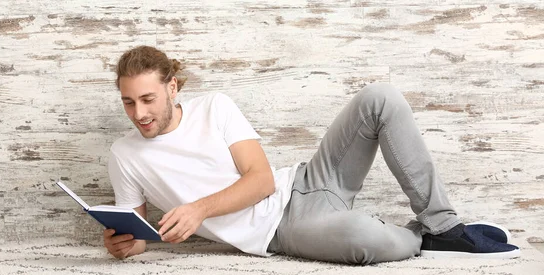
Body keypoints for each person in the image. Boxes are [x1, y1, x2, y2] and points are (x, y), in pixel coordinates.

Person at [102, 45, 520, 264]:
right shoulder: (125, 155)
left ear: (173, 87)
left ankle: (443, 225)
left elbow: (261, 180)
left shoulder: (216, 107)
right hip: (282, 231)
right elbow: (138, 234)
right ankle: (419, 237)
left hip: (306, 181)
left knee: (380, 98)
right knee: (363, 239)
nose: (139, 114)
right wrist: (125, 245)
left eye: (147, 98)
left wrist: (198, 210)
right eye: (128, 102)